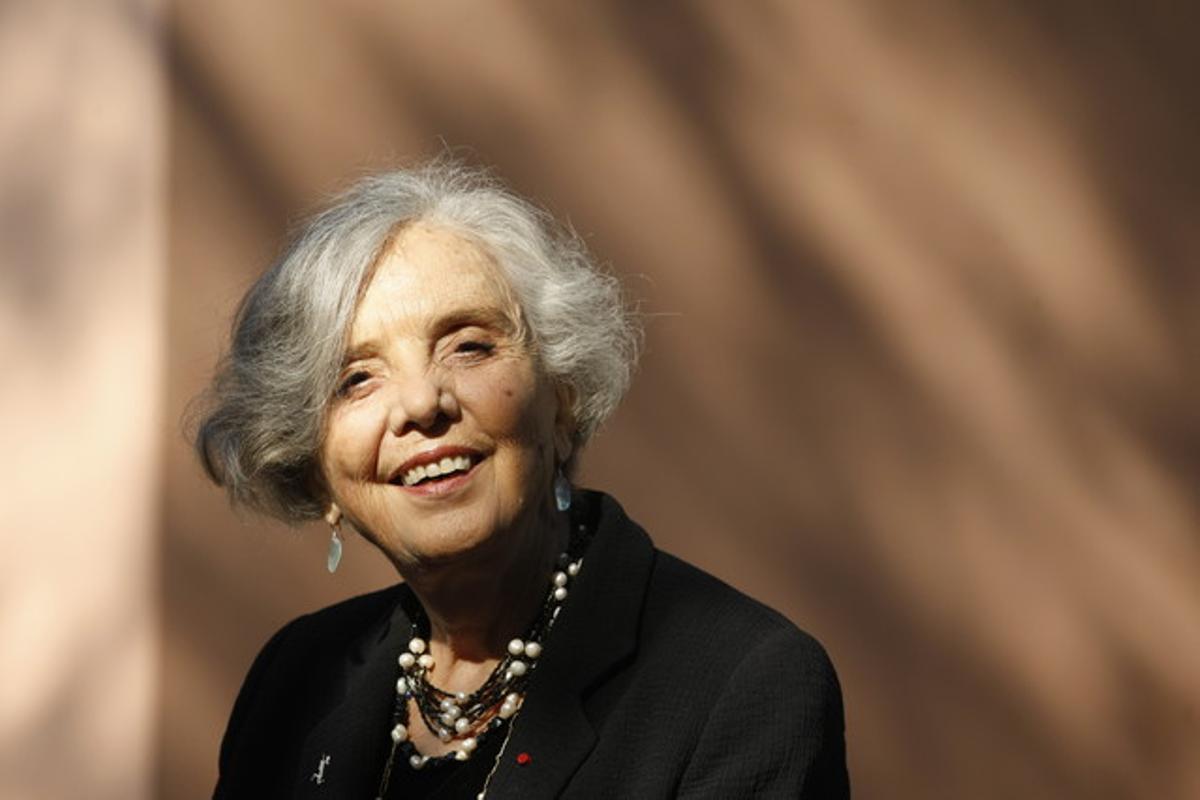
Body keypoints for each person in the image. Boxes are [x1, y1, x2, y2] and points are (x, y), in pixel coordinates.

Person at [195, 162, 849, 799]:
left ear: (562, 399)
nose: (422, 403)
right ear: (315, 473)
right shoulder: (293, 680)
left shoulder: (745, 683)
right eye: (357, 379)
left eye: (468, 346)